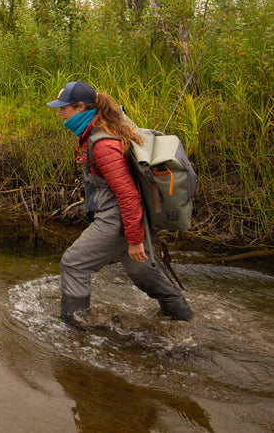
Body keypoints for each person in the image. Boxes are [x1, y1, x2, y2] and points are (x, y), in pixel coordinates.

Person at [48, 80, 193, 322]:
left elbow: (127, 194)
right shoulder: (98, 131)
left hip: (118, 217)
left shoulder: (102, 143)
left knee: (74, 264)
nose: (60, 112)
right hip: (131, 216)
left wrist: (134, 240)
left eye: (64, 108)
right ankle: (183, 318)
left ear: (81, 107)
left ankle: (73, 324)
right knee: (142, 271)